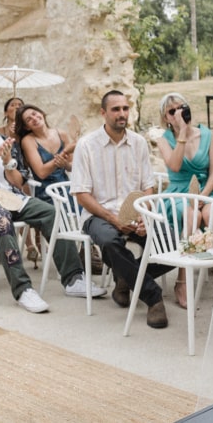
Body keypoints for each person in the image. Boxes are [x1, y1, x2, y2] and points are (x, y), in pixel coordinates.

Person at [0, 95, 104, 313]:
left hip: (13, 196)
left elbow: (18, 181)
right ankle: (23, 289)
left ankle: (73, 279)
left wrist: (7, 163)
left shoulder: (9, 143)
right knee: (0, 218)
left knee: (51, 212)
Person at [70, 90, 168, 329]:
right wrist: (114, 219)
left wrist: (144, 216)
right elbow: (82, 194)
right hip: (98, 215)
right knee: (110, 241)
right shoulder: (86, 146)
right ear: (103, 113)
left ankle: (125, 278)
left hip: (136, 213)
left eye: (125, 108)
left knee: (171, 242)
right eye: (116, 109)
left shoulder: (138, 143)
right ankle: (153, 297)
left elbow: (147, 186)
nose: (122, 114)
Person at [156, 93, 213, 309]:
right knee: (193, 216)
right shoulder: (164, 139)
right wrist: (181, 132)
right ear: (166, 118)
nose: (179, 113)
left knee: (210, 213)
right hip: (179, 193)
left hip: (205, 190)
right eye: (172, 111)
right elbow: (174, 166)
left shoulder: (207, 134)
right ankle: (182, 280)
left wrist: (203, 196)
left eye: (182, 108)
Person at [16, 104, 73, 202]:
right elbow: (41, 173)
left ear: (41, 113)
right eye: (29, 119)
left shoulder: (61, 134)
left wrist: (65, 164)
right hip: (46, 192)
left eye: (34, 114)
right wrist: (65, 152)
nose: (34, 118)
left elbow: (72, 167)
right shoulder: (28, 140)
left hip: (67, 187)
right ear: (26, 127)